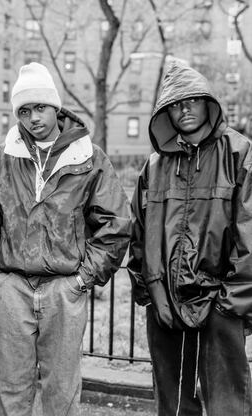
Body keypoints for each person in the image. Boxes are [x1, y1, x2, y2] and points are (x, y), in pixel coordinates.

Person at [0, 62, 131, 416]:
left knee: (62, 389)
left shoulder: (89, 158)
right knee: (11, 389)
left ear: (55, 107)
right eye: (24, 111)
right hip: (13, 288)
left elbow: (116, 223)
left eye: (39, 107)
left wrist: (83, 278)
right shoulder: (2, 159)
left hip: (64, 289)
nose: (32, 118)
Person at [127, 60, 252, 416]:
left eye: (192, 101)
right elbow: (138, 232)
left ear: (208, 103)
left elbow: (249, 231)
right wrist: (150, 292)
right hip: (165, 304)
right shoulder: (154, 166)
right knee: (173, 404)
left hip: (221, 302)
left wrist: (232, 303)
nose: (184, 110)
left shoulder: (239, 154)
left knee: (228, 403)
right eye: (175, 104)